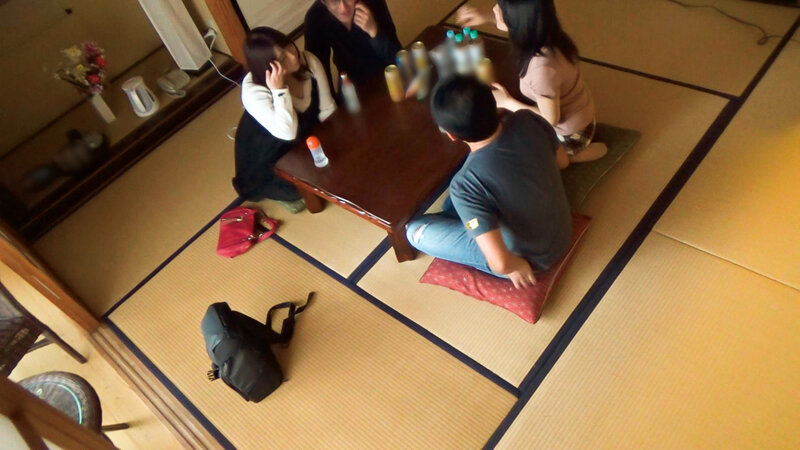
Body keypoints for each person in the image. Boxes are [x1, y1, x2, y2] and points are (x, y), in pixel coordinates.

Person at [406, 76, 573, 289]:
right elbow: (563, 162)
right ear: (494, 103)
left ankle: (471, 223)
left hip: (533, 258)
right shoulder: (528, 118)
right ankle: (472, 220)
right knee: (459, 204)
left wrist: (515, 265)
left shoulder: (465, 185)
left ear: (451, 135)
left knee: (414, 230)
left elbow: (500, 263)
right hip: (562, 232)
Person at [456, 0, 607, 167]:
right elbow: (522, 22)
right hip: (580, 110)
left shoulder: (541, 69)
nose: (494, 8)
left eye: (501, 9)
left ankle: (570, 157)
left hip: (570, 133)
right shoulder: (547, 32)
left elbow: (550, 120)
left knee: (520, 157)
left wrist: (507, 102)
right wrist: (486, 17)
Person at [233, 27, 336, 212]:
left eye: (289, 46)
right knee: (305, 187)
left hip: (304, 138)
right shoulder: (253, 92)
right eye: (282, 58)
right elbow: (287, 132)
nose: (293, 56)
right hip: (270, 154)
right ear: (268, 67)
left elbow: (327, 109)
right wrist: (279, 90)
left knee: (335, 163)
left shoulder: (308, 61)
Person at [305, 0, 401, 94]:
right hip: (350, 88)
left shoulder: (373, 2)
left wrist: (374, 31)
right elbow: (319, 79)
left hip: (388, 78)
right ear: (323, 2)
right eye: (334, 1)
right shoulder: (315, 17)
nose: (343, 8)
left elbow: (398, 58)